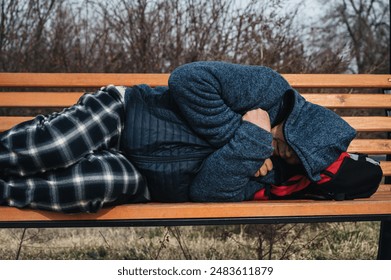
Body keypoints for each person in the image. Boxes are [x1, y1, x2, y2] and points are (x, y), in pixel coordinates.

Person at [0, 61, 356, 213]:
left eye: (289, 157)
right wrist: (242, 128)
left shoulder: (268, 171)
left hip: (142, 180)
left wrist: (251, 140)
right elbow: (187, 79)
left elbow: (207, 191)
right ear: (298, 123)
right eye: (284, 143)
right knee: (55, 147)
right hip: (126, 113)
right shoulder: (268, 88)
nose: (279, 152)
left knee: (93, 185)